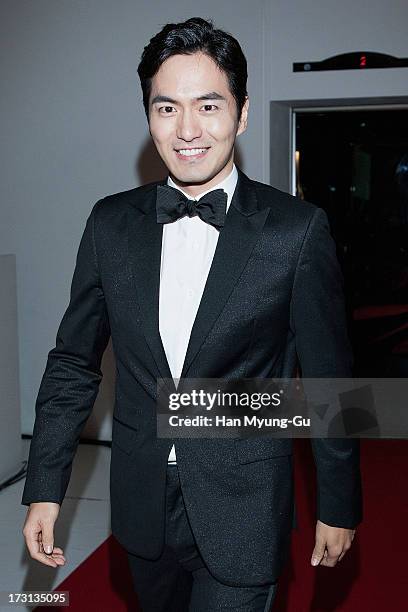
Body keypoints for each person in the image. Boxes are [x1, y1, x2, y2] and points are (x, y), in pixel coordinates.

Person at [22, 17, 362, 612]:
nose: (187, 131)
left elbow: (329, 379)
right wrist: (46, 488)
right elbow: (74, 363)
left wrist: (338, 502)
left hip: (245, 503)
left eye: (208, 106)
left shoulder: (296, 232)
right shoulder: (110, 224)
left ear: (243, 113)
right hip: (141, 500)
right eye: (166, 108)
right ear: (148, 115)